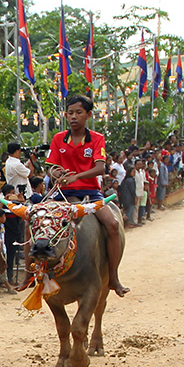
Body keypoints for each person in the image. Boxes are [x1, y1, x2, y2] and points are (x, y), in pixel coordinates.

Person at [44, 93, 129, 296]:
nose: (73, 117)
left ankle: (113, 277)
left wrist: (76, 177)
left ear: (88, 115)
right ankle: (32, 275)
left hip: (90, 194)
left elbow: (100, 168)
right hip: (61, 194)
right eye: (70, 112)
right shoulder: (58, 139)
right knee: (33, 218)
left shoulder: (97, 139)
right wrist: (56, 173)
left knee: (113, 225)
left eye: (78, 112)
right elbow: (50, 167)